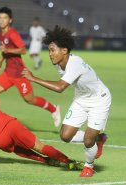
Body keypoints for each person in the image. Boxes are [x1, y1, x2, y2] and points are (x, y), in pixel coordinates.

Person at [22, 26, 112, 177]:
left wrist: (33, 78)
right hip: (81, 98)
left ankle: (89, 166)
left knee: (88, 141)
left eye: (53, 50)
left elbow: (60, 87)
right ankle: (98, 137)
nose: (50, 54)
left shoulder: (74, 63)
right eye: (49, 50)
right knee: (65, 136)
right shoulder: (59, 63)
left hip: (99, 100)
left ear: (64, 50)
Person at [0, 7, 61, 127]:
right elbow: (4, 51)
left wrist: (7, 50)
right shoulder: (1, 35)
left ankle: (53, 109)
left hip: (20, 74)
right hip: (8, 73)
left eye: (5, 18)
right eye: (0, 18)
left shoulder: (12, 33)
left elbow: (23, 50)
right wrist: (0, 61)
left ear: (10, 20)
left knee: (29, 100)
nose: (1, 20)